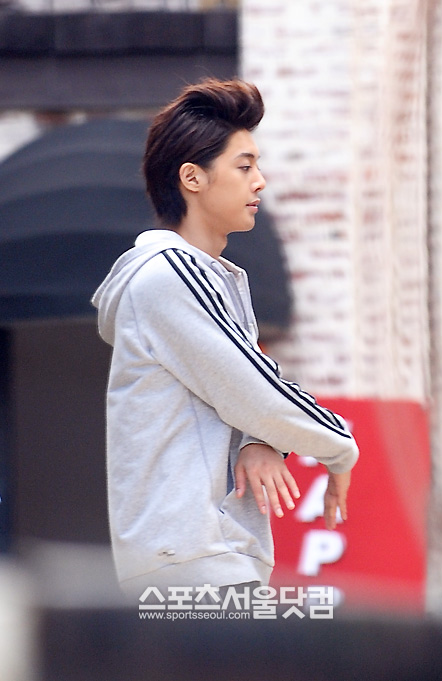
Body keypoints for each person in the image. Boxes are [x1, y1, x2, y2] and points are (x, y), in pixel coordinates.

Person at [92, 77, 359, 599]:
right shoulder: (172, 276)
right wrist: (340, 447)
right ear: (192, 177)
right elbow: (256, 392)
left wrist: (263, 438)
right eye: (244, 166)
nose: (260, 181)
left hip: (204, 554)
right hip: (192, 558)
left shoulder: (212, 279)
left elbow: (246, 389)